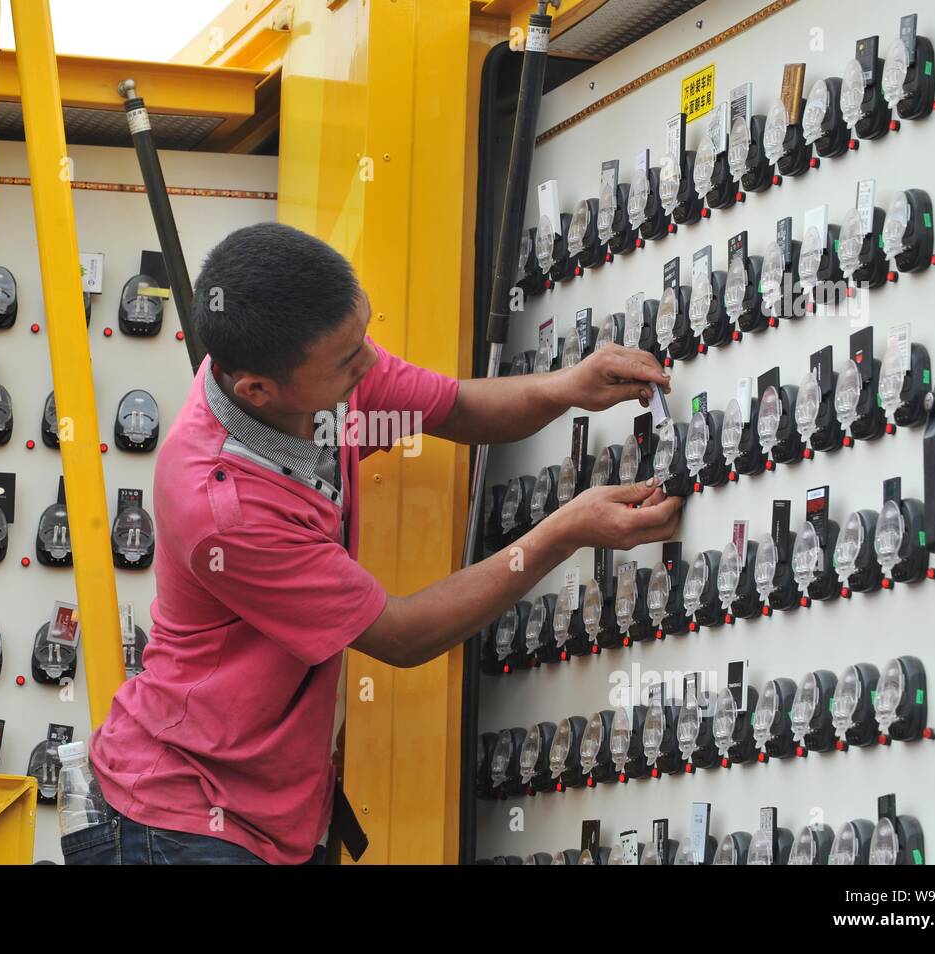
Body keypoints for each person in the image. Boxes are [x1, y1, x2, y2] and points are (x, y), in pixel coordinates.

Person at [76, 222, 682, 865]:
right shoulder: (224, 509)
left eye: (361, 337)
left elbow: (454, 408)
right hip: (177, 823)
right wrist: (566, 530)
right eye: (348, 360)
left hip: (266, 818)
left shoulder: (313, 376)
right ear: (257, 389)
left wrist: (567, 387)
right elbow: (400, 633)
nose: (370, 363)